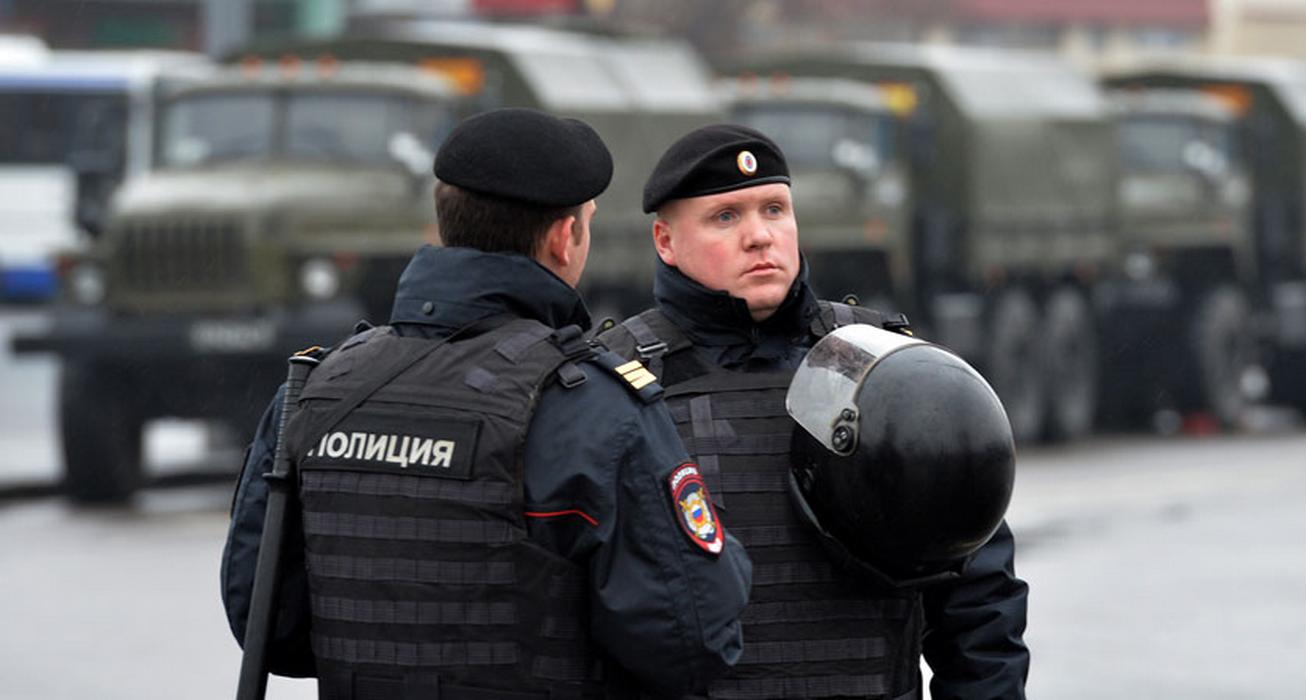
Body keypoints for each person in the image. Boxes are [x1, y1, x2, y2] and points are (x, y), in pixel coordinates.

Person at [220, 108, 752, 700]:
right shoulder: (590, 406)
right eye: (587, 224)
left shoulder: (316, 388)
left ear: (446, 223)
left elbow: (267, 622)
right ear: (563, 237)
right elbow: (692, 640)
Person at [598, 124, 1029, 700]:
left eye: (774, 209)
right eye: (725, 217)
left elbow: (976, 598)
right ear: (665, 241)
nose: (759, 236)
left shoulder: (882, 366)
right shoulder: (615, 384)